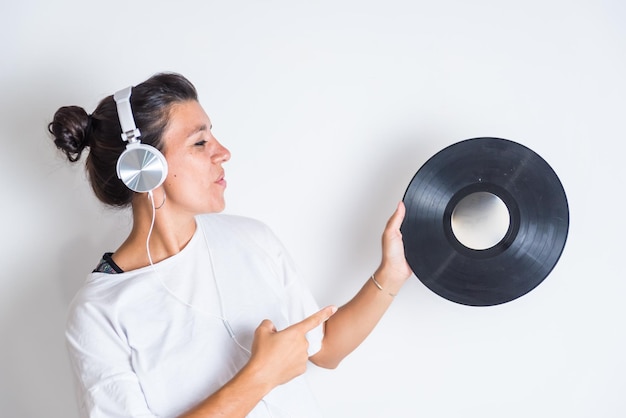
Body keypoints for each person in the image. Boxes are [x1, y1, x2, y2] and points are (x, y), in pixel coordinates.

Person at [49, 72, 413, 418]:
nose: (223, 152)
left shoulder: (252, 239)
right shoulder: (99, 312)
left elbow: (326, 349)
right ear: (143, 166)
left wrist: (391, 275)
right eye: (200, 142)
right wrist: (261, 375)